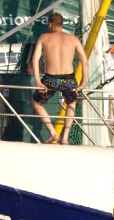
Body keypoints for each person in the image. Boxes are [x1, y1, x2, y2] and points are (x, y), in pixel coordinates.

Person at [30, 12, 89, 144]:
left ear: (49, 24)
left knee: (36, 103)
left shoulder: (44, 37)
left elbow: (35, 60)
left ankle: (52, 132)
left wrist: (38, 81)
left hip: (50, 78)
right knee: (71, 103)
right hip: (68, 79)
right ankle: (65, 137)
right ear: (62, 25)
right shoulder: (73, 39)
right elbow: (84, 61)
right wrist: (84, 82)